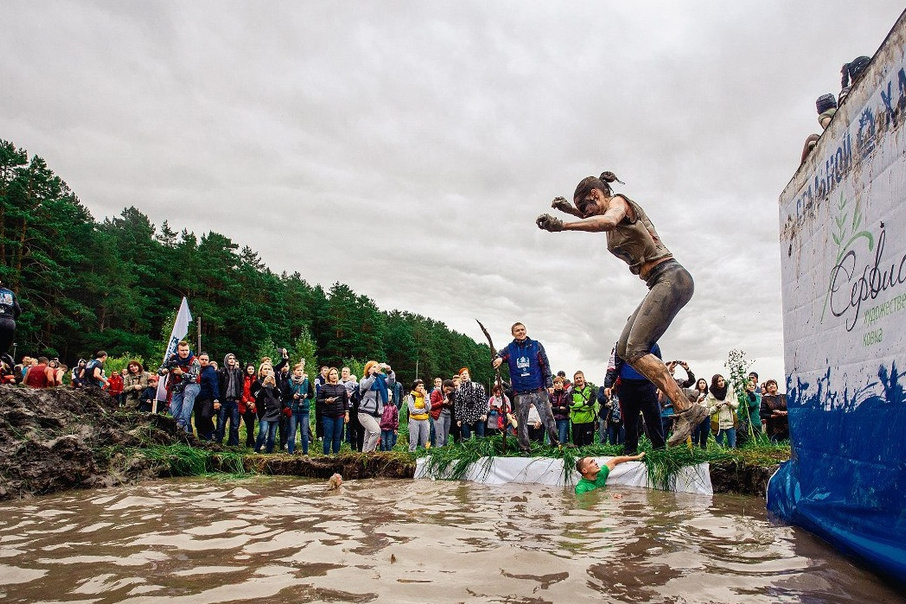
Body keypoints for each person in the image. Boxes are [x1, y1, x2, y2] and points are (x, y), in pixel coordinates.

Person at [537, 171, 707, 446]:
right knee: (625, 349)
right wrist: (570, 208)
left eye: (585, 207)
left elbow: (606, 218)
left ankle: (687, 409)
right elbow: (595, 216)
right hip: (658, 282)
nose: (585, 213)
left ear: (596, 195)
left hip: (671, 278)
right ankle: (686, 408)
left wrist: (563, 224)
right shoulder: (605, 209)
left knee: (637, 347)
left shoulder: (619, 204)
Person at [492, 322, 562, 454]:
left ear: (526, 330)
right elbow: (498, 357)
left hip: (538, 388)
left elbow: (545, 365)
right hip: (520, 391)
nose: (520, 332)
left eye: (522, 329)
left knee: (548, 418)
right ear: (513, 333)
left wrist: (549, 384)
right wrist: (498, 360)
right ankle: (525, 448)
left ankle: (555, 444)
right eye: (517, 330)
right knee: (521, 421)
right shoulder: (509, 349)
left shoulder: (536, 345)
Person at [604, 343, 665, 455]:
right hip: (627, 386)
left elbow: (659, 366)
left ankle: (659, 449)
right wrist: (608, 384)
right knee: (629, 420)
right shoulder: (620, 344)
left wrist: (661, 386)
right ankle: (630, 450)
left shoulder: (652, 343)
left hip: (648, 385)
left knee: (654, 418)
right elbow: (613, 365)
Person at [160, 341, 200, 433]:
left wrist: (181, 373)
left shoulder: (194, 361)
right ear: (178, 351)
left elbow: (194, 378)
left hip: (192, 386)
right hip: (177, 387)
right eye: (182, 350)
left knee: (188, 394)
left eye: (186, 350)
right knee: (175, 414)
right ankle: (183, 434)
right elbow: (160, 370)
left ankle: (182, 422)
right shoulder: (172, 358)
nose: (185, 352)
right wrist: (164, 371)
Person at [358, 361, 396, 452]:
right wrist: (374, 374)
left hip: (378, 412)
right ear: (368, 370)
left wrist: (389, 371)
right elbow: (367, 385)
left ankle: (364, 457)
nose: (377, 368)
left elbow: (391, 382)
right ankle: (370, 453)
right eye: (374, 367)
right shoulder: (364, 380)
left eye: (377, 367)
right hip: (365, 412)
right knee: (376, 432)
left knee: (368, 438)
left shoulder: (382, 379)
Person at [574, 452, 646, 495]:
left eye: (594, 461)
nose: (595, 463)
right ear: (584, 470)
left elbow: (615, 460)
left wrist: (637, 457)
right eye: (591, 462)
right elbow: (582, 506)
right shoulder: (581, 488)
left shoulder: (600, 474)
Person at [318, 367, 350, 455]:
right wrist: (326, 401)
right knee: (328, 436)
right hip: (327, 416)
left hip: (339, 415)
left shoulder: (342, 387)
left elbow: (345, 402)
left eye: (335, 374)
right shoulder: (324, 387)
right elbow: (318, 400)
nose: (334, 376)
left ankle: (336, 455)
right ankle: (326, 455)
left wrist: (347, 414)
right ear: (328, 376)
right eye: (331, 374)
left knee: (337, 437)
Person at [251, 366, 282, 454]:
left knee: (272, 434)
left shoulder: (276, 381)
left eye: (269, 369)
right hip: (264, 411)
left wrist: (275, 385)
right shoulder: (257, 383)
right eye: (265, 369)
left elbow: (278, 395)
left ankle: (269, 451)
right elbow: (257, 396)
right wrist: (264, 385)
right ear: (260, 371)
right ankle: (256, 449)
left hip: (275, 410)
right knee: (263, 431)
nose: (267, 371)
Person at [215, 353, 243, 446]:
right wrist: (218, 399)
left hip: (234, 401)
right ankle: (218, 442)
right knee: (221, 423)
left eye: (233, 358)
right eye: (229, 358)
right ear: (226, 360)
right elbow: (218, 386)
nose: (231, 360)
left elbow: (241, 386)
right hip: (224, 401)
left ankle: (234, 444)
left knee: (235, 424)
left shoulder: (239, 372)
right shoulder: (221, 371)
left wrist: (239, 396)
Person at [286, 362, 313, 455]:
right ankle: (290, 451)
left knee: (304, 432)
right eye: (298, 370)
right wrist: (292, 396)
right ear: (294, 371)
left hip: (304, 410)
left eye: (301, 370)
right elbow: (284, 395)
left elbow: (312, 394)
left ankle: (305, 452)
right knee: (292, 432)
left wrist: (306, 395)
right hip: (293, 409)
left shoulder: (306, 381)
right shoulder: (289, 382)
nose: (300, 372)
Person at [705, 374, 738, 448]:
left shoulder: (730, 391)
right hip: (718, 424)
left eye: (722, 380)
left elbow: (736, 405)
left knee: (732, 445)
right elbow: (708, 411)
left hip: (730, 422)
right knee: (719, 446)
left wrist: (730, 404)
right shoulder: (710, 395)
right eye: (719, 381)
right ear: (715, 383)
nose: (721, 382)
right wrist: (716, 407)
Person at [454, 367, 487, 440]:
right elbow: (457, 405)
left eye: (465, 374)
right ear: (460, 376)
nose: (464, 375)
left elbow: (483, 400)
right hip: (465, 418)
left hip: (478, 416)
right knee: (466, 440)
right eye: (462, 374)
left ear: (469, 375)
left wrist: (484, 413)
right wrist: (458, 419)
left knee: (480, 439)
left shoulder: (477, 386)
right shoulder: (458, 390)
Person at [194, 352, 219, 440]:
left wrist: (216, 399)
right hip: (196, 398)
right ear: (198, 360)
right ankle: (201, 438)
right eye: (202, 359)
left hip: (207, 398)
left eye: (206, 360)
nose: (204, 361)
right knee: (198, 421)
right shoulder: (195, 369)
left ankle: (212, 432)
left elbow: (214, 385)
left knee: (205, 416)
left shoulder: (210, 371)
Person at [569, 371, 597, 446]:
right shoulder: (572, 392)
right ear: (574, 380)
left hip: (588, 421)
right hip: (576, 422)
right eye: (576, 378)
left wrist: (578, 407)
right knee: (577, 445)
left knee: (589, 444)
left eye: (580, 377)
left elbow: (592, 404)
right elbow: (571, 405)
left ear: (583, 378)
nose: (578, 379)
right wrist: (584, 403)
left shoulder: (591, 390)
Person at [406, 379, 431, 451]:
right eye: (419, 386)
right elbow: (412, 410)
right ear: (415, 387)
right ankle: (411, 453)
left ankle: (424, 454)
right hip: (414, 420)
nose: (421, 387)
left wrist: (426, 397)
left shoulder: (426, 396)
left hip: (425, 420)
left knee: (425, 440)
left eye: (422, 386)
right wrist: (424, 410)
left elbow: (429, 408)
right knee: (413, 440)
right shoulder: (411, 396)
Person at [0, 280, 21, 367]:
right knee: (4, 349)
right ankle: (11, 365)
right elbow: (18, 310)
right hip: (9, 322)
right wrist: (13, 318)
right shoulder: (10, 293)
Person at [430, 379, 455, 447]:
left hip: (448, 415)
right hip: (439, 415)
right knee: (440, 436)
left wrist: (450, 403)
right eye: (447, 389)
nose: (448, 391)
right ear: (443, 386)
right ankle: (439, 450)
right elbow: (431, 406)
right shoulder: (436, 392)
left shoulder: (450, 394)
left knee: (446, 437)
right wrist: (442, 402)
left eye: (450, 390)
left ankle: (444, 452)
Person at [239, 363, 258, 447]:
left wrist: (253, 402)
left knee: (252, 423)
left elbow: (257, 392)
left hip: (254, 405)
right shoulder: (243, 379)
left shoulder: (256, 380)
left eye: (252, 369)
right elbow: (241, 392)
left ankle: (250, 440)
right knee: (247, 423)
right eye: (249, 369)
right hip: (244, 405)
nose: (251, 370)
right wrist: (246, 402)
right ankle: (250, 440)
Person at [690, 378, 711, 448]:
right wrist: (698, 401)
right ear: (698, 384)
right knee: (696, 433)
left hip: (706, 415)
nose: (702, 385)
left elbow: (711, 405)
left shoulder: (709, 395)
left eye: (704, 383)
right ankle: (695, 449)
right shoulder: (694, 394)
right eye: (700, 383)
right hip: (697, 416)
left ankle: (703, 448)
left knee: (705, 432)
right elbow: (692, 406)